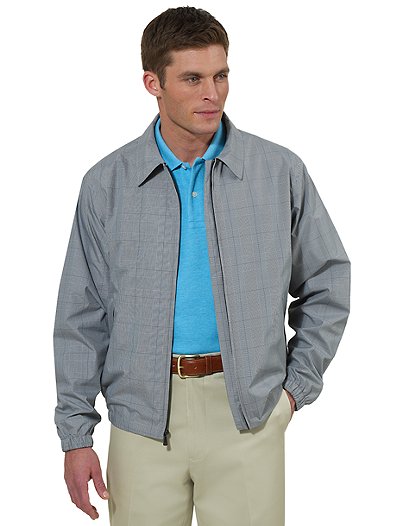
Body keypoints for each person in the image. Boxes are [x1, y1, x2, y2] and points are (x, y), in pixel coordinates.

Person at [53, 6, 351, 526]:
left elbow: (327, 281)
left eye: (221, 75)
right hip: (141, 422)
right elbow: (82, 315)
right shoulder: (107, 184)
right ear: (153, 83)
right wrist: (77, 436)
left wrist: (292, 393)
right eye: (193, 78)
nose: (212, 93)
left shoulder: (278, 172)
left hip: (249, 416)